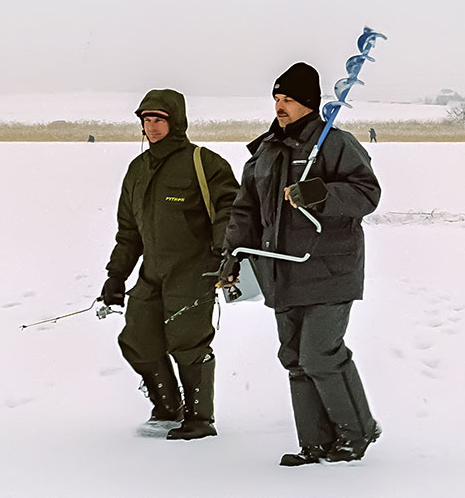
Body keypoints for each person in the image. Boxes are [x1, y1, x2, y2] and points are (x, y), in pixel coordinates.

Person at [221, 63, 382, 465]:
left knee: (320, 355)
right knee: (294, 359)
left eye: (288, 99)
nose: (280, 106)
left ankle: (356, 433)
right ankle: (315, 443)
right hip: (282, 269)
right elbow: (246, 211)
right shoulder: (265, 152)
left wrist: (318, 193)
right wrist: (232, 255)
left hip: (329, 268)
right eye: (277, 98)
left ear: (309, 103)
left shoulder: (335, 145)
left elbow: (366, 193)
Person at [102, 88, 239, 440]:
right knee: (137, 339)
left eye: (159, 120)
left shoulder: (203, 162)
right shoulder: (137, 170)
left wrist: (225, 253)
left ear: (175, 121)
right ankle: (167, 407)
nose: (152, 127)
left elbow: (230, 210)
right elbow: (129, 231)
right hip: (152, 274)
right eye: (146, 120)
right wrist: (116, 276)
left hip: (194, 270)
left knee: (188, 342)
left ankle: (199, 419)